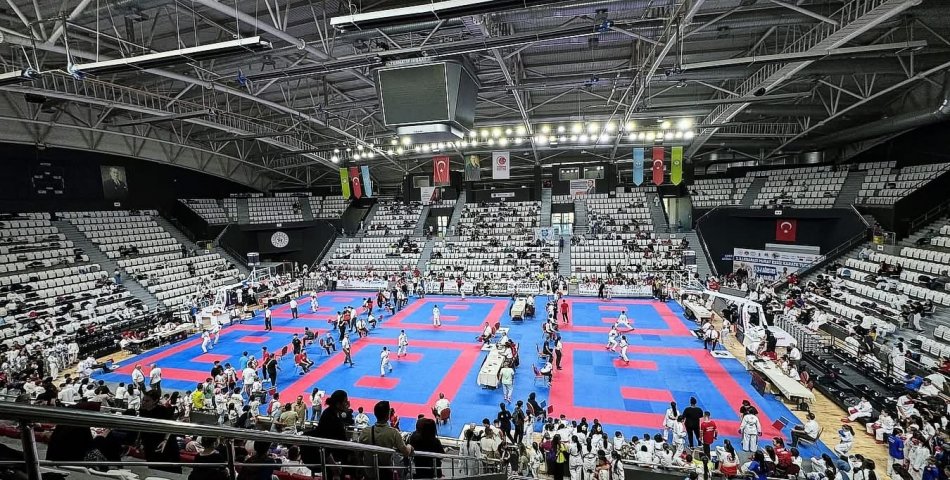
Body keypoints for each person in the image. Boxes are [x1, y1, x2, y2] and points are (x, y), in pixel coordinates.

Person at [357, 401, 413, 480]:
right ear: (388, 414)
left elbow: (359, 451)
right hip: (385, 472)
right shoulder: (393, 433)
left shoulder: (365, 431)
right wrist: (409, 446)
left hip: (369, 472)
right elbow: (406, 452)